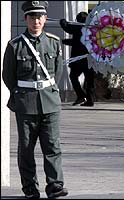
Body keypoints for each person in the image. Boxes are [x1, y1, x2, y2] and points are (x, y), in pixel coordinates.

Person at [2, 1, 68, 199]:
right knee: (26, 148)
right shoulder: (15, 45)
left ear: (45, 19)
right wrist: (21, 94)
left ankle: (55, 186)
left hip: (50, 103)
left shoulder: (54, 42)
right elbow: (8, 76)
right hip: (26, 103)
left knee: (53, 146)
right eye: (32, 17)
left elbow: (57, 72)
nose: (36, 21)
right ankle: (30, 187)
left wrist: (49, 90)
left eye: (40, 17)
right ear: (25, 19)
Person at [59, 12, 95, 107]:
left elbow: (68, 29)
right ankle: (90, 99)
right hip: (90, 59)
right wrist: (63, 41)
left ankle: (81, 95)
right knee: (89, 80)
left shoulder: (80, 27)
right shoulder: (92, 29)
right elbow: (76, 42)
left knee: (73, 77)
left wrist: (63, 22)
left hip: (78, 59)